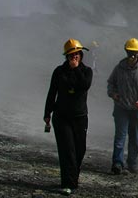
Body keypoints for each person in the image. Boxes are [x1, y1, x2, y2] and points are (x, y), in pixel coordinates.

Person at [44, 39, 93, 196]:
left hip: (80, 117)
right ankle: (67, 183)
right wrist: (47, 113)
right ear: (67, 56)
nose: (75, 57)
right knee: (67, 151)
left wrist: (76, 69)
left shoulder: (86, 71)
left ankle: (73, 179)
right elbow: (52, 93)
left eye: (77, 54)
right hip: (62, 117)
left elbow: (85, 85)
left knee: (80, 150)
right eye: (72, 55)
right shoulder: (59, 72)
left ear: (81, 54)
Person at [107, 38, 138, 175]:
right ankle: (117, 163)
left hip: (136, 109)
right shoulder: (119, 67)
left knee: (134, 137)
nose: (132, 56)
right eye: (130, 53)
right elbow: (111, 83)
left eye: (135, 53)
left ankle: (132, 163)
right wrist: (113, 94)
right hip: (121, 108)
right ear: (126, 52)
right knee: (120, 137)